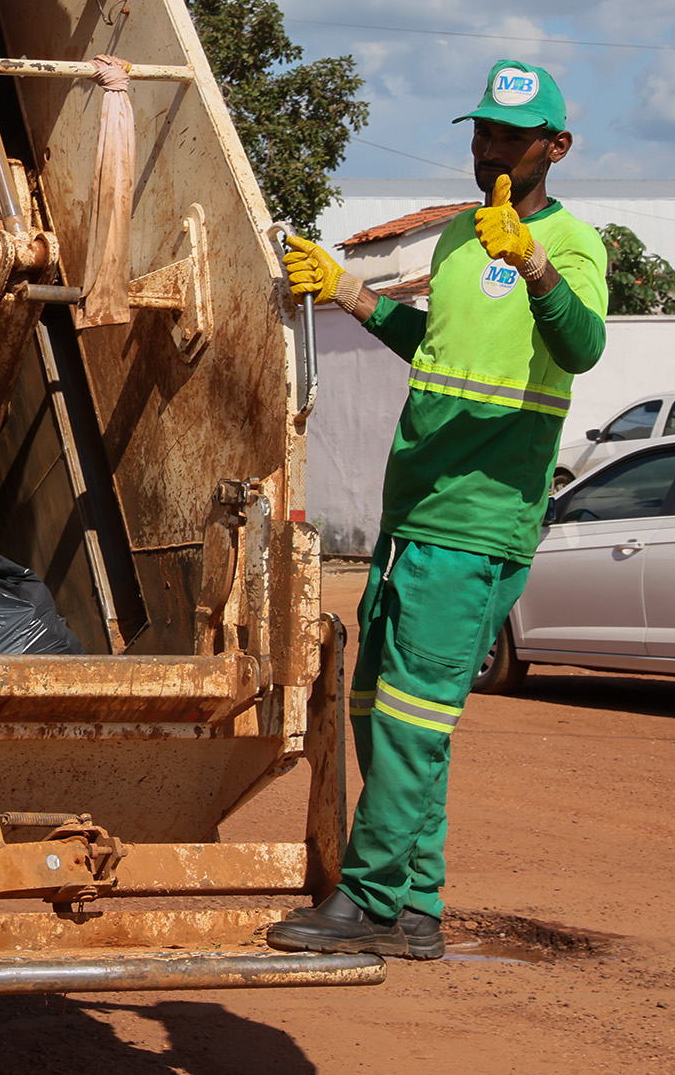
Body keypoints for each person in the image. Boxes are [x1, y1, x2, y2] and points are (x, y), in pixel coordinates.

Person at [268, 60, 607, 960]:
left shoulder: (573, 244)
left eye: (508, 135)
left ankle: (371, 901)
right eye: (480, 131)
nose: (487, 148)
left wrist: (532, 263)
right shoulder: (459, 238)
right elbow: (439, 346)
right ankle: (415, 904)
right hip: (412, 512)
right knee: (383, 707)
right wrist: (351, 292)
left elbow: (583, 345)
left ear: (555, 147)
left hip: (478, 519)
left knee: (418, 716)